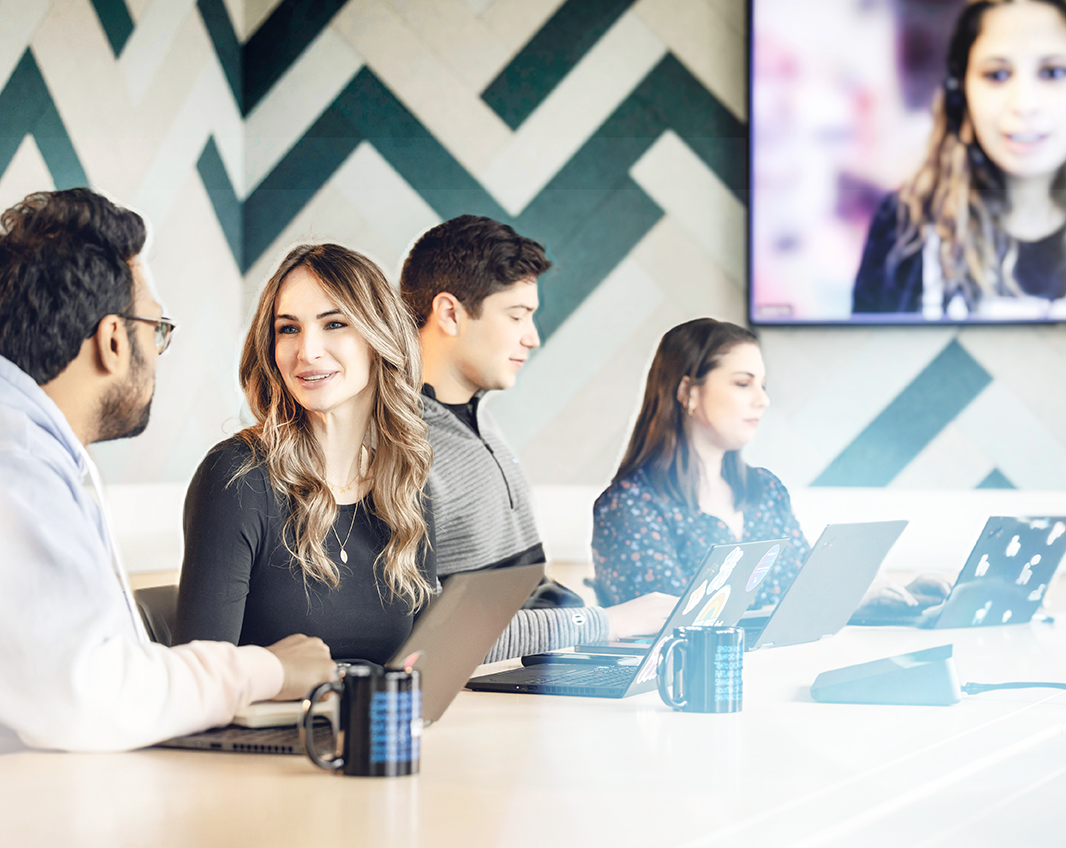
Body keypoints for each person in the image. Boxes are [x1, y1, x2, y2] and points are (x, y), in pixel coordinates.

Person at [0, 189, 334, 752]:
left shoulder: (36, 451)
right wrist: (269, 669)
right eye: (157, 330)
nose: (158, 352)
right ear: (112, 340)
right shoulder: (19, 466)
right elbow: (94, 699)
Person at [399, 215, 675, 662]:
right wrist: (605, 623)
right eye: (516, 315)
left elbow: (527, 594)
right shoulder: (399, 451)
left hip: (532, 672)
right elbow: (432, 639)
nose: (533, 337)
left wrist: (606, 625)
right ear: (449, 313)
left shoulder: (479, 421)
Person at [175, 244, 435, 665]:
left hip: (378, 726)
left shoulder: (404, 482)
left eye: (334, 324)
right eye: (288, 329)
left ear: (379, 340)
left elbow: (426, 664)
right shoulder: (236, 476)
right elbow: (200, 677)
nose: (307, 351)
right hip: (274, 730)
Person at [591, 318, 949, 612]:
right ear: (688, 392)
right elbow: (667, 628)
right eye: (743, 383)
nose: (762, 400)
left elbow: (807, 593)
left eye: (762, 385)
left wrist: (897, 597)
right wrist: (839, 603)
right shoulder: (629, 506)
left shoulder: (766, 490)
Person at [853, 0, 1066, 320]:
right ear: (960, 94)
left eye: (1053, 72)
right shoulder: (904, 227)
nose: (1024, 104)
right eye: (997, 74)